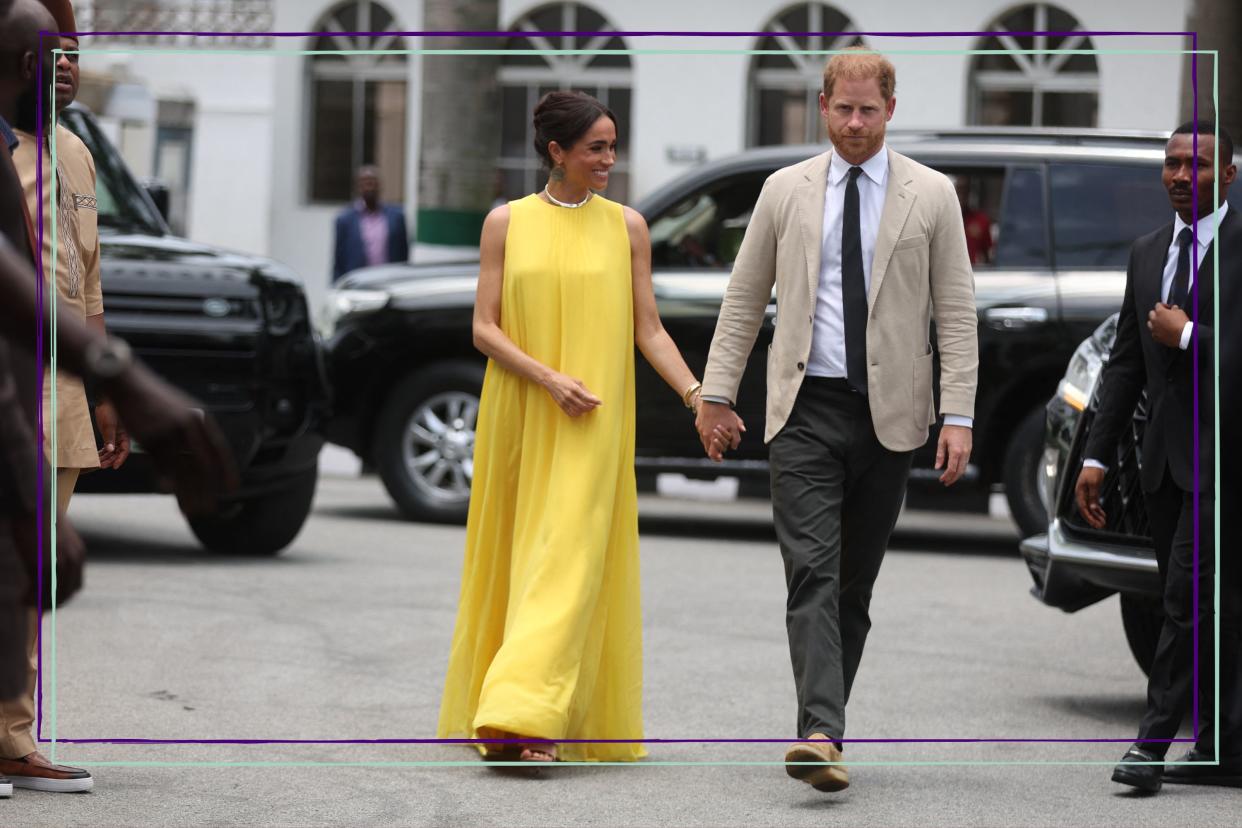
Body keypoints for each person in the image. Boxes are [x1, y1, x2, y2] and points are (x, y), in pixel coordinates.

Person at [696, 48, 978, 793]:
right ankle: (821, 732)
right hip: (803, 408)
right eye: (843, 109)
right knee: (812, 572)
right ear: (823, 107)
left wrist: (959, 414)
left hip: (892, 415)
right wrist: (715, 393)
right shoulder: (785, 190)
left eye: (869, 110)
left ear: (891, 110)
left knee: (854, 585)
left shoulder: (932, 194)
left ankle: (826, 725)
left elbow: (955, 312)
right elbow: (743, 297)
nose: (855, 123)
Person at [437, 90, 743, 764]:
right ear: (557, 152)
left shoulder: (628, 226)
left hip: (596, 422)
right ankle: (512, 712)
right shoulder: (505, 224)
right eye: (596, 148)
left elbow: (649, 330)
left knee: (569, 561)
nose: (610, 159)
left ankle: (526, 718)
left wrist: (699, 396)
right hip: (523, 413)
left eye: (612, 146)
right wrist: (547, 377)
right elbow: (484, 329)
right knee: (527, 560)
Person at [1076, 120, 1241, 792]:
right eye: (1171, 163)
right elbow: (1123, 368)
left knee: (1183, 597)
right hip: (1165, 466)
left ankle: (1150, 746)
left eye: (1196, 165)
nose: (1180, 175)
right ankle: (1222, 749)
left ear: (1228, 174)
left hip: (1229, 462)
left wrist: (1191, 332)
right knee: (1207, 603)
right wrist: (1096, 456)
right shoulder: (1147, 253)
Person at [331, 165, 408, 281]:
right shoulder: (345, 220)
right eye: (365, 184)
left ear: (380, 186)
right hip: (358, 281)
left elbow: (404, 254)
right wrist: (336, 284)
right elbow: (339, 258)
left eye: (372, 183)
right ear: (358, 187)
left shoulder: (396, 217)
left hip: (388, 280)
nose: (369, 188)